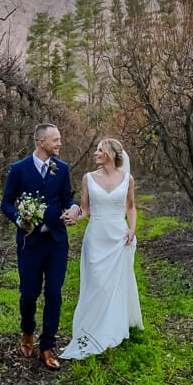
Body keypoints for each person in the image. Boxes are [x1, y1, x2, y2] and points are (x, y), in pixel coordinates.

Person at [1, 123, 80, 370]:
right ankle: (27, 332)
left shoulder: (62, 168)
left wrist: (74, 210)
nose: (60, 143)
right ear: (41, 142)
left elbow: (68, 198)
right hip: (30, 244)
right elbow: (6, 203)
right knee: (29, 293)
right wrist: (19, 219)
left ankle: (47, 346)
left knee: (54, 293)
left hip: (57, 243)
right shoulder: (18, 169)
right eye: (56, 140)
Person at [59, 138, 143, 360]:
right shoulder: (88, 178)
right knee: (97, 284)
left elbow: (131, 207)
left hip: (118, 238)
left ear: (111, 154)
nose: (95, 153)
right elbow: (85, 209)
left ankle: (112, 326)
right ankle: (91, 328)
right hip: (96, 238)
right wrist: (75, 217)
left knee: (114, 286)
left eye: (99, 150)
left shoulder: (127, 179)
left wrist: (132, 229)